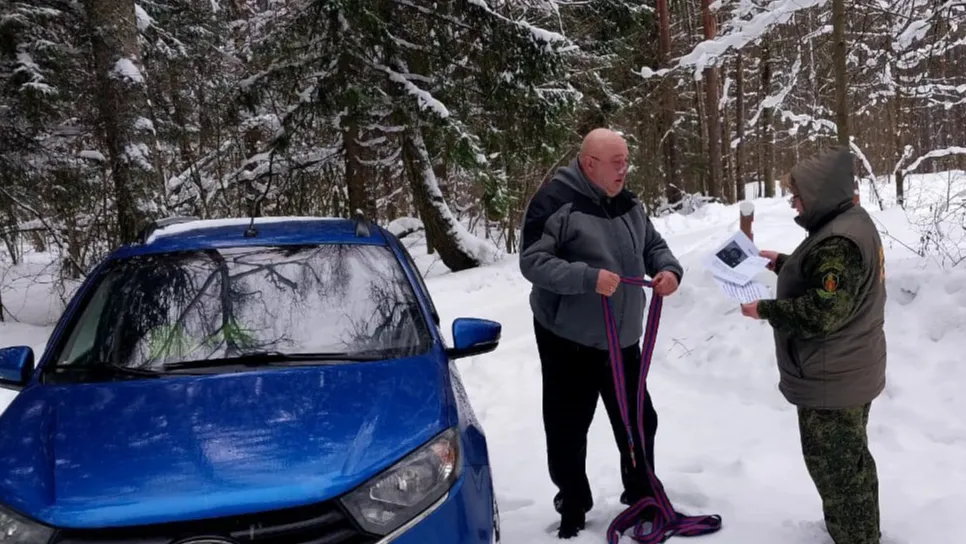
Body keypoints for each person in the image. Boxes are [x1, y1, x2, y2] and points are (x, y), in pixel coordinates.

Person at [518, 128, 684, 539]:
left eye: (626, 160)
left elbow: (653, 245)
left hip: (622, 339)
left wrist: (667, 270)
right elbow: (533, 263)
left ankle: (642, 493)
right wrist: (587, 278)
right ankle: (573, 502)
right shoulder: (555, 202)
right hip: (567, 338)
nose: (624, 169)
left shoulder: (628, 202)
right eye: (616, 162)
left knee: (639, 420)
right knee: (568, 427)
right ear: (589, 164)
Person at [739, 145, 886, 544]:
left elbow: (825, 311)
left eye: (798, 196)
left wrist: (766, 309)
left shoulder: (839, 242)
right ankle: (858, 528)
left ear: (820, 194)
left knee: (837, 471)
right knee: (851, 462)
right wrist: (783, 263)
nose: (793, 204)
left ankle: (856, 536)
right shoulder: (847, 224)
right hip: (848, 369)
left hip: (832, 378)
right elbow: (832, 283)